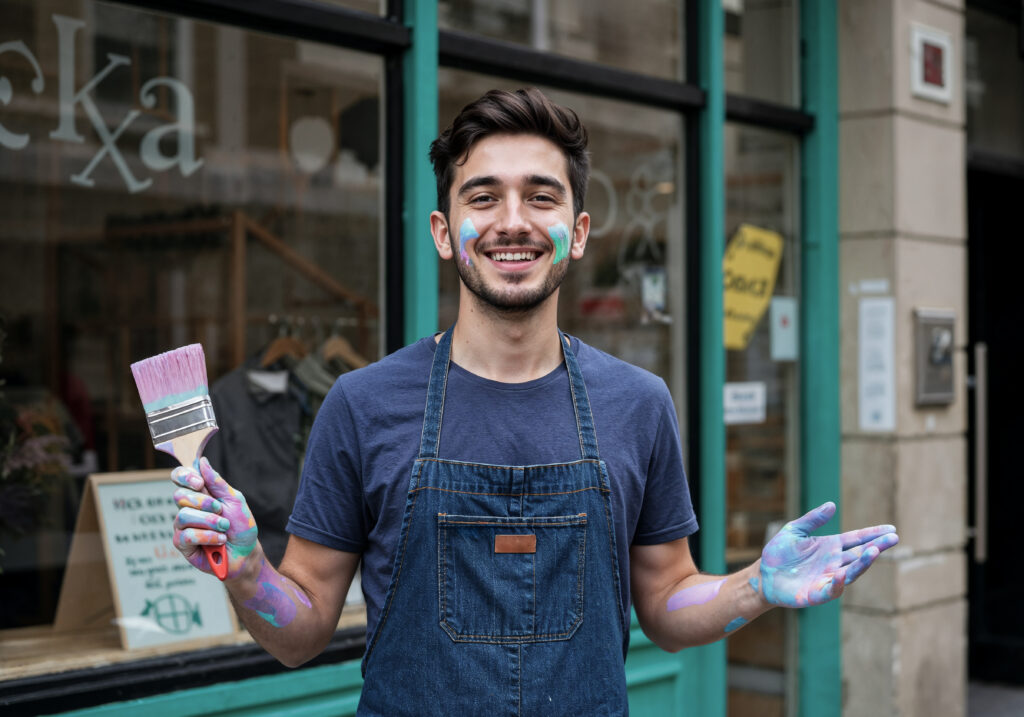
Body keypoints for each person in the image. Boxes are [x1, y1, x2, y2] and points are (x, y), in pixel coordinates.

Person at [170, 88, 899, 715]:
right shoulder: (362, 405)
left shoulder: (638, 404)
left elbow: (669, 600)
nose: (512, 220)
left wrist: (754, 588)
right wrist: (248, 573)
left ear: (577, 233)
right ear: (443, 233)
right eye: (482, 196)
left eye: (541, 196)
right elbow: (301, 632)